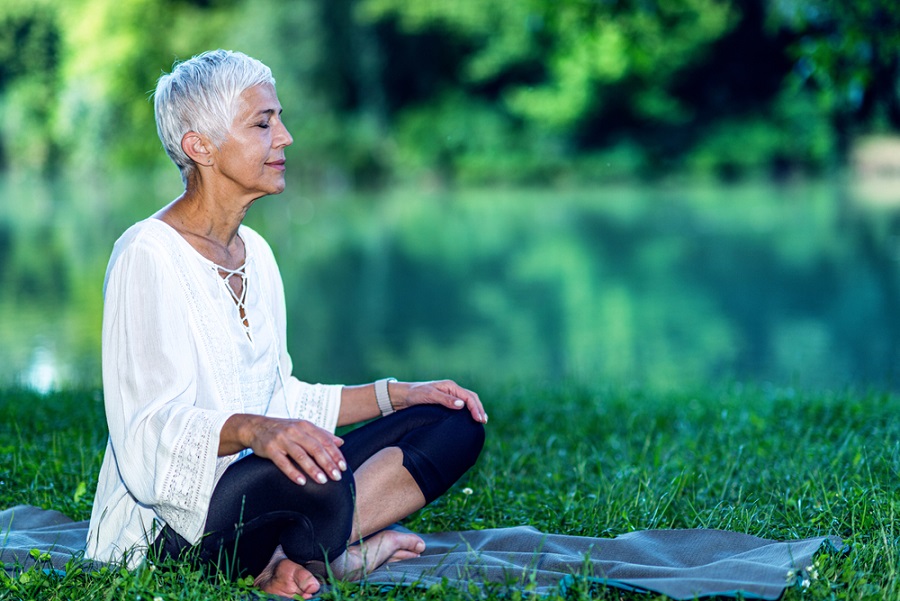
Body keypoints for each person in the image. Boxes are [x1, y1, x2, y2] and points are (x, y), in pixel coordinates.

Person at [85, 49, 487, 599]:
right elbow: (146, 434)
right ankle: (328, 554)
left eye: (279, 119)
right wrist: (256, 430)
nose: (286, 137)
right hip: (171, 529)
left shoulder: (257, 254)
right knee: (305, 479)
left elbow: (284, 398)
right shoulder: (145, 254)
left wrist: (401, 395)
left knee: (453, 422)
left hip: (262, 496)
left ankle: (293, 557)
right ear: (199, 146)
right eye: (263, 122)